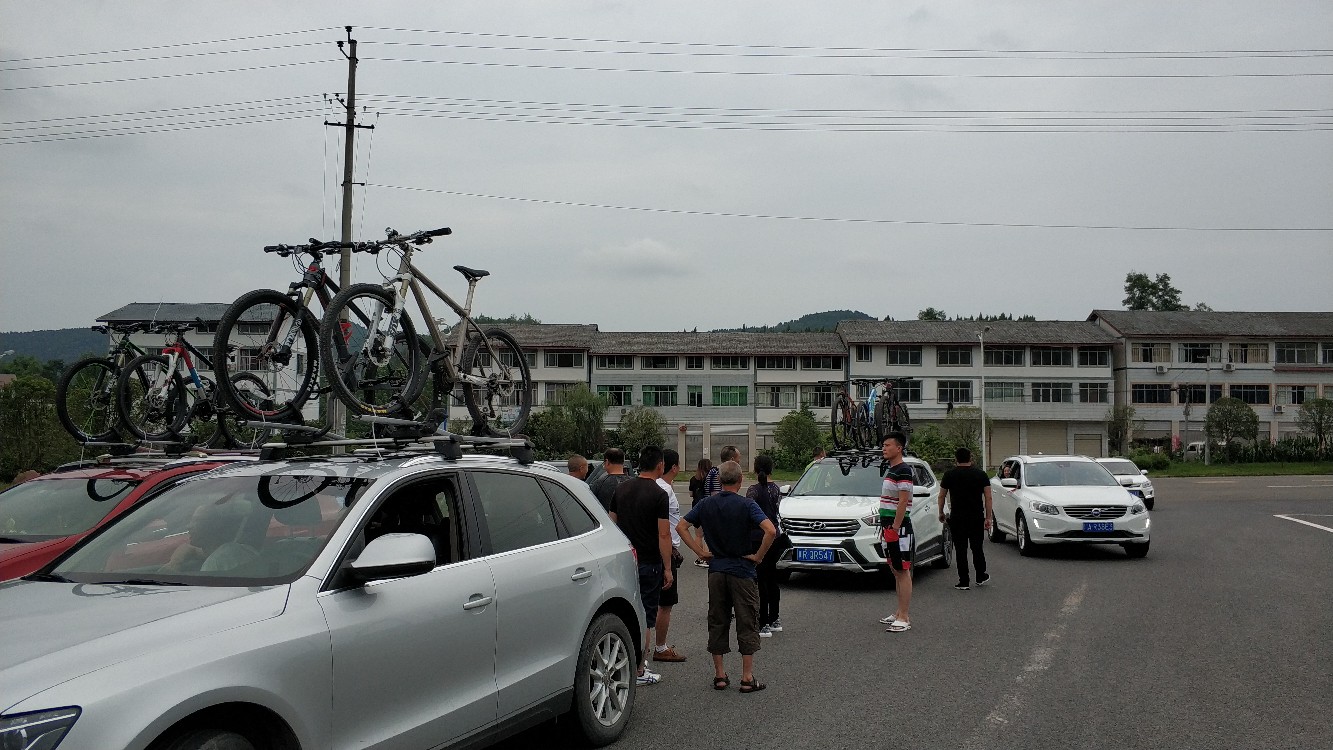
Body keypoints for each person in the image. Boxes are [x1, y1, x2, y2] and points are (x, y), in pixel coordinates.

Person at [678, 461, 776, 693]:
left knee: (718, 620)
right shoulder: (747, 505)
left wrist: (700, 551)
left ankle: (720, 675)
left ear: (720, 480)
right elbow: (770, 530)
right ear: (740, 481)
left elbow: (681, 526)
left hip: (717, 569)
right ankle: (747, 677)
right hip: (742, 569)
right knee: (747, 620)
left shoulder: (706, 504)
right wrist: (758, 556)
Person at [608, 446, 674, 686]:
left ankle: (621, 663)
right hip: (649, 562)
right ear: (660, 465)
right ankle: (640, 669)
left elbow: (611, 523)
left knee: (625, 613)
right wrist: (668, 568)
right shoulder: (659, 494)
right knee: (645, 616)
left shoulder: (621, 489)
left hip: (625, 561)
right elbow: (664, 534)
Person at [938, 447, 993, 591]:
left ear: (956, 459)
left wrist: (941, 512)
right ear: (970, 458)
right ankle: (980, 575)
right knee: (977, 547)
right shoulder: (981, 475)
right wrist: (988, 517)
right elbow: (988, 497)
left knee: (960, 549)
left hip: (957, 517)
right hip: (976, 517)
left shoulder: (949, 475)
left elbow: (941, 495)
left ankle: (964, 581)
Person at [878, 432, 915, 633]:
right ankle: (898, 611)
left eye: (888, 445)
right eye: (883, 445)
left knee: (902, 570)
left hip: (898, 528)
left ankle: (904, 616)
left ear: (899, 448)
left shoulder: (904, 470)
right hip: (888, 526)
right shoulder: (892, 470)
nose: (884, 448)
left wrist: (895, 527)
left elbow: (903, 501)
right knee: (895, 569)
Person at [653, 448, 687, 663]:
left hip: (657, 549)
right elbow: (663, 529)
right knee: (665, 603)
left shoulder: (659, 486)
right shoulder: (664, 490)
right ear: (673, 467)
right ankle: (660, 647)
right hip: (665, 550)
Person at [746, 454, 785, 637]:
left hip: (757, 537)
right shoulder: (776, 489)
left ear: (755, 469)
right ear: (771, 469)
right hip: (775, 536)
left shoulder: (752, 491)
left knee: (760, 579)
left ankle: (763, 623)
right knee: (772, 578)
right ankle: (774, 618)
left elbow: (749, 514)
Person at [696, 445, 739, 567]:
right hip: (717, 512)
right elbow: (715, 495)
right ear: (732, 459)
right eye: (738, 459)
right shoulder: (718, 473)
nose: (739, 462)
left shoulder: (715, 471)